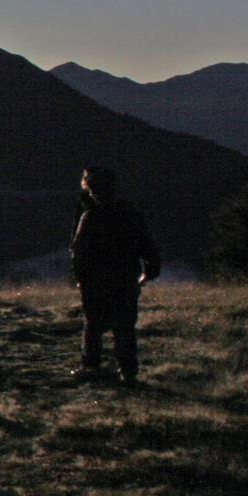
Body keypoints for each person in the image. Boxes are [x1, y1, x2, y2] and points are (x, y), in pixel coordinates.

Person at [70, 166, 161, 387]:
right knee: (124, 327)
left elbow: (78, 251)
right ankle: (128, 372)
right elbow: (147, 244)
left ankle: (91, 367)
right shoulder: (130, 214)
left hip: (96, 282)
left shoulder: (90, 217)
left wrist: (80, 278)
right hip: (125, 279)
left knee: (93, 326)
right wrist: (150, 269)